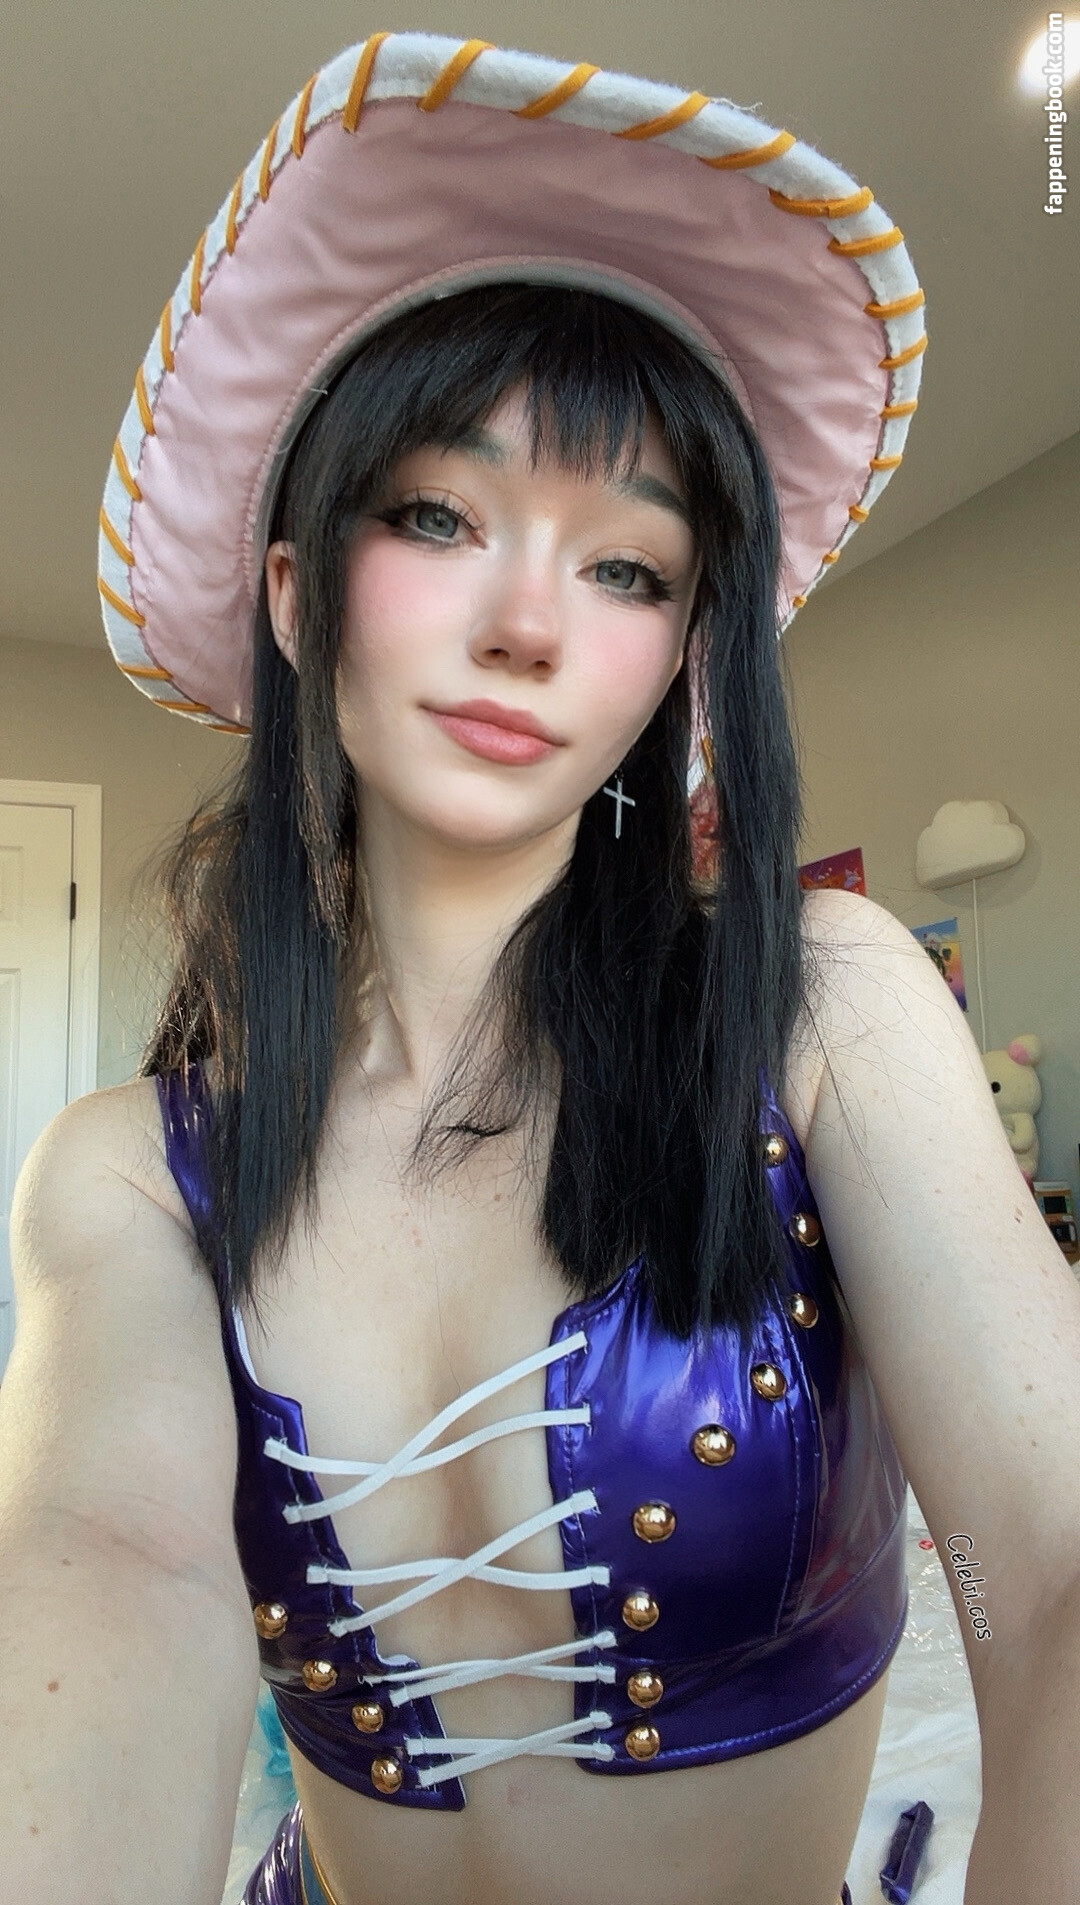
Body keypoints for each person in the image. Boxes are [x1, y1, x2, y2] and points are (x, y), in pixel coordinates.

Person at [4, 31, 1079, 1905]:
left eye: (629, 569)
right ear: (294, 591)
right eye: (439, 513)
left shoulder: (821, 1015)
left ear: (681, 657)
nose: (525, 622)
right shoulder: (135, 1176)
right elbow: (109, 1565)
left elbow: (1042, 1566)